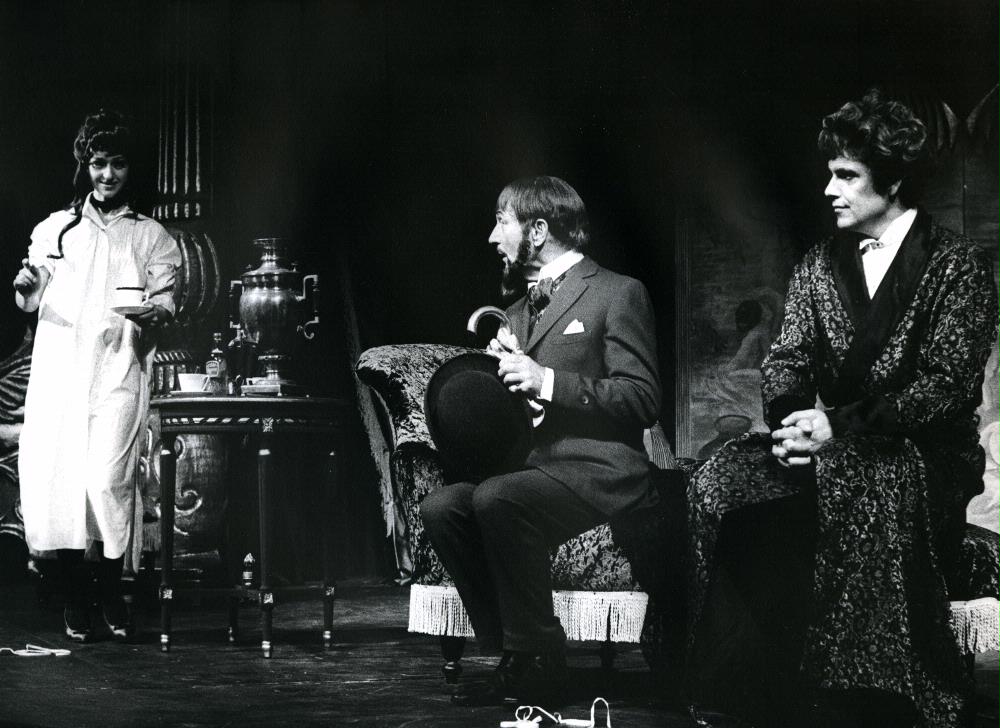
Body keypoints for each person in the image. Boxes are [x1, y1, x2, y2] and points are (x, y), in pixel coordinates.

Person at [685, 89, 999, 727]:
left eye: (847, 175)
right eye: (830, 173)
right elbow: (787, 360)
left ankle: (862, 696)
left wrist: (838, 426)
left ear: (894, 180)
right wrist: (794, 423)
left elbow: (946, 386)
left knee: (856, 477)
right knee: (722, 476)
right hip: (828, 442)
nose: (830, 189)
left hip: (927, 458)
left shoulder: (957, 267)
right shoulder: (817, 266)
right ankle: (741, 688)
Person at [420, 175, 661, 706]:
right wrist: (498, 391)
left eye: (500, 222)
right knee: (441, 508)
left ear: (537, 231)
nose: (492, 237)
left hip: (602, 473)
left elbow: (643, 399)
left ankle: (537, 662)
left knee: (496, 497)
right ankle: (520, 652)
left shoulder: (618, 293)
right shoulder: (513, 315)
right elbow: (516, 423)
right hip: (534, 471)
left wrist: (546, 381)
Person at [13, 110, 181, 642]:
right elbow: (31, 295)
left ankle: (110, 586)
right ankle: (75, 596)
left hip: (118, 369)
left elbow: (166, 301)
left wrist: (156, 312)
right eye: (99, 163)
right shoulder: (55, 229)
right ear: (85, 165)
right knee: (61, 481)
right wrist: (26, 288)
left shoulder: (150, 236)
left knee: (108, 481)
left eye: (118, 164)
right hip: (60, 373)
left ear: (132, 169)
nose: (108, 175)